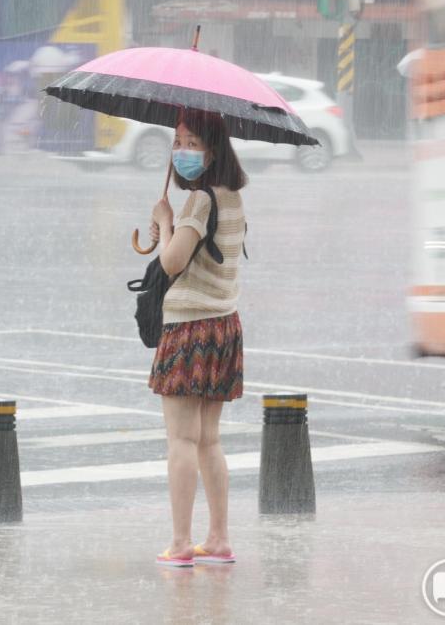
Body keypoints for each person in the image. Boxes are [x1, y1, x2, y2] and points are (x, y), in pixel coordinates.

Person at [148, 109, 247, 568]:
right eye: (178, 142)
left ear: (213, 149)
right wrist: (172, 228)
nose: (182, 152)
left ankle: (182, 542)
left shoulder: (201, 202)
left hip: (190, 329)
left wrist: (166, 224)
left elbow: (171, 264)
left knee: (182, 441)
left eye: (192, 143)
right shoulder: (231, 198)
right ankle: (219, 537)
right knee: (208, 440)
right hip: (224, 327)